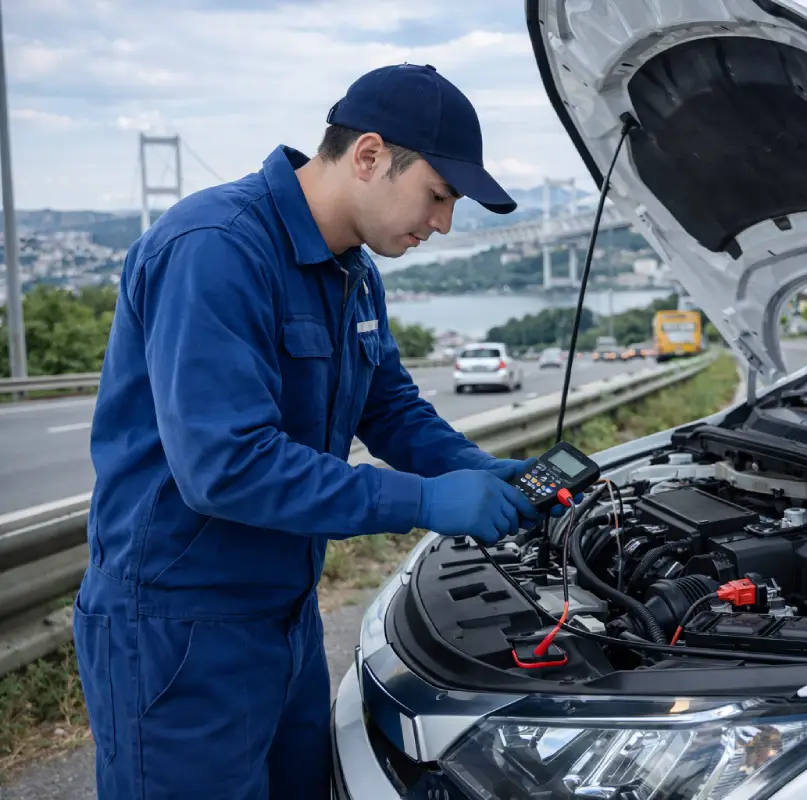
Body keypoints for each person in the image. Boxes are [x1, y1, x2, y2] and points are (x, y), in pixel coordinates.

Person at [73, 64, 564, 799]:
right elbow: (227, 465)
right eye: (438, 195)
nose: (442, 225)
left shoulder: (352, 273)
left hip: (284, 617)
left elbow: (391, 407)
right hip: (179, 629)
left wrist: (477, 470)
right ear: (368, 156)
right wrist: (426, 502)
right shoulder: (217, 249)